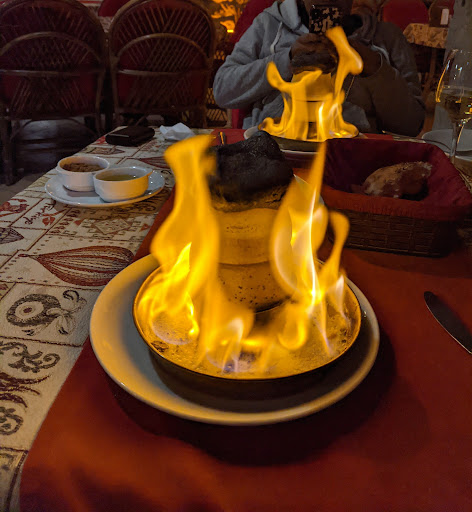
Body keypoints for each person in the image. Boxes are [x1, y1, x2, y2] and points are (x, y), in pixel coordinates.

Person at [213, 0, 425, 136]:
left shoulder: (385, 38)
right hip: (275, 150)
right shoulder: (269, 25)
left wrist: (375, 68)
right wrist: (286, 60)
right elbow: (223, 90)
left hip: (352, 157)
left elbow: (412, 124)